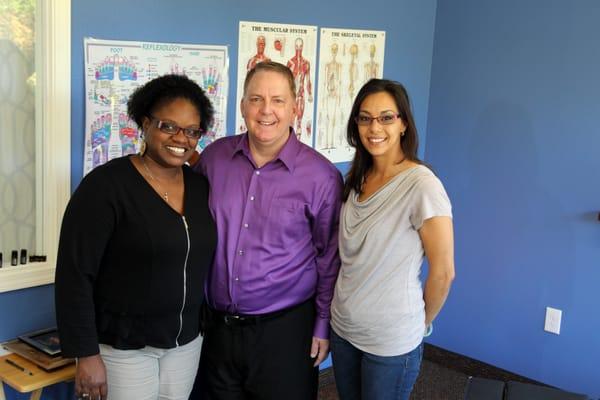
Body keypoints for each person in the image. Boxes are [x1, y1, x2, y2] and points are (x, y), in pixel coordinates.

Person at [55, 74, 217, 400]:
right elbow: (75, 276)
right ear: (145, 123)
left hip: (184, 345)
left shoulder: (200, 187)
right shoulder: (105, 187)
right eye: (168, 126)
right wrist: (86, 354)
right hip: (124, 349)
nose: (180, 139)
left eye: (191, 131)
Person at [194, 61, 343, 400]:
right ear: (243, 105)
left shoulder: (321, 177)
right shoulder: (214, 160)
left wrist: (322, 325)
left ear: (295, 106)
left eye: (277, 100)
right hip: (216, 329)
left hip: (285, 333)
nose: (266, 110)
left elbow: (329, 258)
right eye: (256, 99)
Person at [330, 79, 455, 400]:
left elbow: (443, 273)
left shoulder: (422, 186)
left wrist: (418, 324)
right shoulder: (355, 179)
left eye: (386, 117)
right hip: (344, 330)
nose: (375, 127)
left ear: (403, 124)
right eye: (365, 117)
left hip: (391, 342)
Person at [286, 37, 313, 140]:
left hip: (301, 93)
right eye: (297, 46)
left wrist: (310, 93)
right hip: (291, 95)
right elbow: (284, 80)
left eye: (300, 47)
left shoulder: (306, 63)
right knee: (290, 120)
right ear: (294, 47)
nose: (298, 49)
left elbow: (308, 80)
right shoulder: (290, 62)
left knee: (299, 122)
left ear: (303, 47)